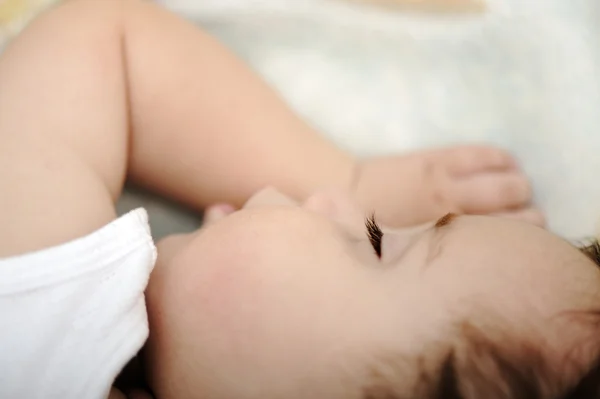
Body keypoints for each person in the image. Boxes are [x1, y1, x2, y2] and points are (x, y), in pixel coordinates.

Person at [1, 0, 597, 398]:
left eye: (375, 239)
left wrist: (346, 177)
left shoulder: (43, 320)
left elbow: (105, 38)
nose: (331, 203)